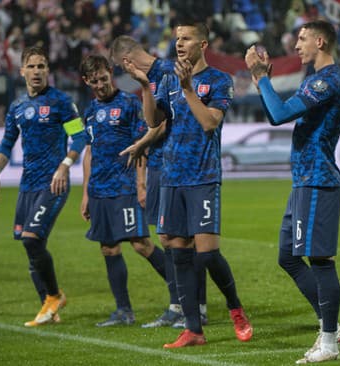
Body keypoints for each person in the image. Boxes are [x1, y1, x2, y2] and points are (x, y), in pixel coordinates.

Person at [122, 19, 253, 347]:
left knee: (207, 255)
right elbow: (153, 121)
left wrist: (187, 89)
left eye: (187, 38)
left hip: (203, 176)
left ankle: (235, 307)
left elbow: (210, 122)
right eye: (177, 38)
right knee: (177, 249)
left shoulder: (219, 81)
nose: (179, 44)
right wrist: (145, 88)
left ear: (203, 45)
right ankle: (193, 329)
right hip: (170, 177)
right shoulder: (166, 79)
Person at [245, 20, 340, 363]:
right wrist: (263, 81)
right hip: (304, 180)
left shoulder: (327, 80)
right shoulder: (314, 79)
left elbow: (278, 114)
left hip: (318, 179)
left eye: (302, 39)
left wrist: (261, 78)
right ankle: (329, 324)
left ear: (320, 41)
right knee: (287, 255)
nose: (296, 45)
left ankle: (329, 342)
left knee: (320, 261)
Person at [110, 35, 209, 329]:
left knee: (185, 239)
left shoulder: (169, 72)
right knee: (167, 237)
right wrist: (142, 180)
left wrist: (142, 144)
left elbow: (163, 124)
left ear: (127, 62)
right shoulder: (148, 79)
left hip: (177, 166)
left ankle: (197, 306)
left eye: (120, 67)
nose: (123, 72)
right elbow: (152, 123)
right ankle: (178, 304)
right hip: (156, 167)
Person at [0, 46, 87, 326]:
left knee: (32, 238)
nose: (36, 71)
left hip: (53, 183)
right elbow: (7, 142)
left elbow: (79, 138)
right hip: (27, 185)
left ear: (48, 71)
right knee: (29, 244)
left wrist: (64, 166)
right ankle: (48, 307)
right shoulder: (18, 107)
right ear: (22, 71)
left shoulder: (61, 102)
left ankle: (54, 296)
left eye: (41, 66)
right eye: (31, 66)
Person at [79, 54, 166, 327]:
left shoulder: (129, 103)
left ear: (111, 73)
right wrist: (85, 194)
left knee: (141, 244)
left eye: (104, 78)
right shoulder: (89, 110)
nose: (101, 84)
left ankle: (185, 298)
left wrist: (141, 185)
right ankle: (123, 311)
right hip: (99, 190)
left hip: (126, 186)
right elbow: (89, 152)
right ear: (86, 81)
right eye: (95, 81)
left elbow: (141, 145)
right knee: (108, 248)